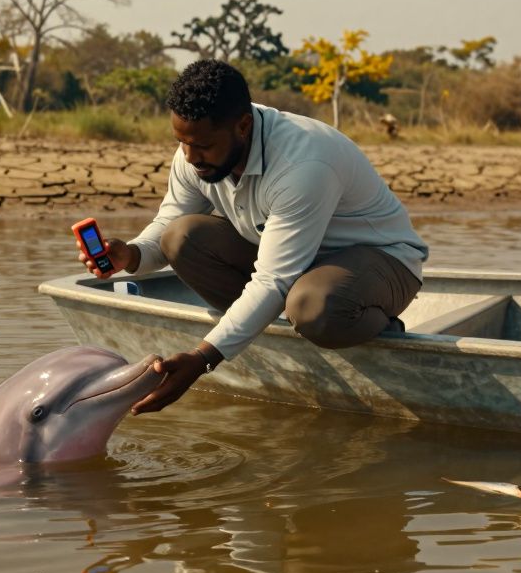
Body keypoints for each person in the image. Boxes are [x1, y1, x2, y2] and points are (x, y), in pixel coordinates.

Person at [79, 59, 428, 415]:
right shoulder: (196, 149)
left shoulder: (303, 165)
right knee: (179, 237)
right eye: (181, 142)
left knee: (312, 307)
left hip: (382, 262)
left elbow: (274, 279)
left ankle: (375, 325)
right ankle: (270, 327)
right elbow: (170, 219)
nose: (190, 157)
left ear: (243, 126)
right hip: (294, 268)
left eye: (202, 145)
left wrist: (202, 359)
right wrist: (132, 255)